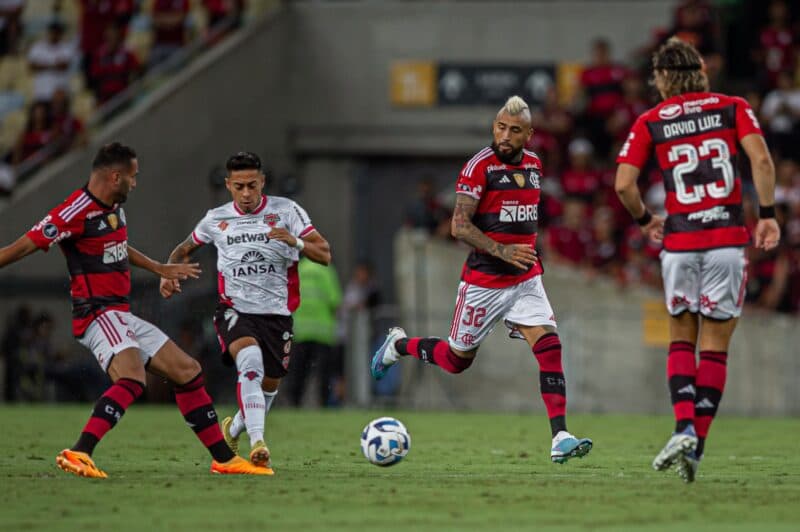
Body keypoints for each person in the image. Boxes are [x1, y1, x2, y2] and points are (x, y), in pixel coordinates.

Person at [0, 142, 270, 477]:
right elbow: (24, 244)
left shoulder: (113, 207)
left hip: (120, 313)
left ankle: (224, 460)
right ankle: (79, 452)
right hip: (98, 314)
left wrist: (159, 268)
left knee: (187, 371)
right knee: (131, 376)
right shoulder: (73, 212)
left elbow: (117, 245)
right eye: (133, 176)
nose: (136, 182)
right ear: (115, 177)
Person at [371, 95, 593, 464]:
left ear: (529, 135)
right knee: (458, 361)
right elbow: (459, 225)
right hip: (483, 283)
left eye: (515, 130)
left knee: (551, 347)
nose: (505, 135)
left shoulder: (535, 165)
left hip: (525, 280)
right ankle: (399, 345)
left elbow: (523, 218)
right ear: (494, 126)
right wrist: (503, 251)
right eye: (500, 127)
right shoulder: (479, 166)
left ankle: (560, 437)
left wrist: (529, 252)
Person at [615, 38, 780, 482]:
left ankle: (683, 424)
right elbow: (761, 160)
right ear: (701, 72)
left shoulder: (651, 120)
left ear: (662, 79)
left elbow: (624, 185)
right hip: (726, 241)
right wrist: (766, 215)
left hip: (681, 243)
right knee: (716, 346)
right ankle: (697, 444)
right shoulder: (732, 107)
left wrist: (647, 220)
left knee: (681, 337)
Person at [161, 151, 331, 473]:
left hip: (277, 316)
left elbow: (324, 254)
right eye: (239, 186)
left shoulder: (287, 211)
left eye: (252, 185)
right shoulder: (215, 218)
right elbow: (182, 250)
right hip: (234, 310)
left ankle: (235, 429)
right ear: (228, 185)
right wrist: (168, 275)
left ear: (262, 181)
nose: (247, 193)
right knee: (249, 362)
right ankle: (258, 444)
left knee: (269, 386)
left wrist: (294, 241)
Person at [287, 256, 342, 407]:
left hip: (301, 331)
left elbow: (288, 299)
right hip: (322, 333)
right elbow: (335, 301)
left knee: (299, 372)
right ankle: (323, 404)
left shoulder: (299, 270)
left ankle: (294, 404)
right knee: (323, 373)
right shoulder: (327, 271)